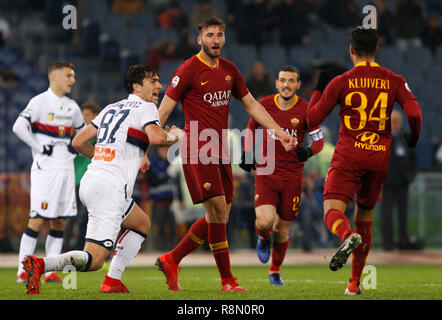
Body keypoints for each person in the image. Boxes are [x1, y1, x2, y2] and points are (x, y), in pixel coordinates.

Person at [155, 17, 296, 292]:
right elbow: (163, 111)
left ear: (224, 38)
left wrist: (279, 132)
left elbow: (252, 105)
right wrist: (151, 140)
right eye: (209, 35)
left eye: (219, 35)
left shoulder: (230, 69)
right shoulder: (187, 70)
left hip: (219, 148)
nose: (215, 40)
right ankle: (227, 281)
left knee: (220, 215)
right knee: (218, 210)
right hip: (198, 147)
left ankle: (171, 259)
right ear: (200, 40)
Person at [21, 64, 182, 295]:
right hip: (110, 189)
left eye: (159, 80)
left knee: (141, 223)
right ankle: (41, 265)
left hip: (93, 181)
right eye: (152, 80)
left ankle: (113, 281)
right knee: (94, 260)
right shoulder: (146, 107)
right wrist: (176, 136)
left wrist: (107, 157)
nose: (159, 85)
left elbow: (78, 142)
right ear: (136, 86)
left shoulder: (110, 108)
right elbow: (156, 138)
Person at [307, 27, 422, 295]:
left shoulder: (342, 81)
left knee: (331, 211)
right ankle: (354, 283)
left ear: (351, 50)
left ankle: (347, 237)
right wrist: (413, 137)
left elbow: (312, 119)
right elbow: (414, 112)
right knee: (365, 218)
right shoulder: (393, 79)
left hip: (349, 155)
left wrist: (318, 90)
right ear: (377, 50)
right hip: (379, 157)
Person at [240, 65, 324, 285]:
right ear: (276, 83)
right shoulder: (264, 105)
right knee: (265, 222)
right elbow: (250, 128)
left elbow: (319, 141)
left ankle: (275, 270)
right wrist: (247, 154)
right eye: (283, 80)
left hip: (292, 177)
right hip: (266, 173)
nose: (286, 85)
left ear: (298, 85)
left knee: (283, 228)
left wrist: (308, 151)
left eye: (291, 81)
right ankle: (263, 237)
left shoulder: (307, 110)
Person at [13, 61, 85, 284]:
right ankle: (23, 270)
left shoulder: (73, 106)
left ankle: (50, 269)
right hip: (46, 170)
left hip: (66, 169)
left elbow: (83, 133)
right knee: (37, 219)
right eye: (68, 76)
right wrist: (38, 146)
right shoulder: (40, 102)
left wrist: (78, 147)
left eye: (73, 76)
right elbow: (18, 127)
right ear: (54, 77)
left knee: (60, 222)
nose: (72, 80)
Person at [63, 102, 100, 251]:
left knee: (89, 217)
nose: (84, 118)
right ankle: (66, 248)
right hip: (76, 183)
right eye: (82, 115)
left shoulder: (98, 136)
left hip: (92, 182)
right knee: (72, 218)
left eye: (88, 115)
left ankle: (84, 248)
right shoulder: (75, 138)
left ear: (96, 117)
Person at [380, 110, 417, 251]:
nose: (396, 124)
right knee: (386, 215)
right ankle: (387, 244)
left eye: (398, 121)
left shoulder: (406, 137)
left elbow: (414, 159)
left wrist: (410, 176)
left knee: (403, 214)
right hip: (388, 183)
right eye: (393, 121)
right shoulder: (383, 138)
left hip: (403, 183)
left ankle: (403, 242)